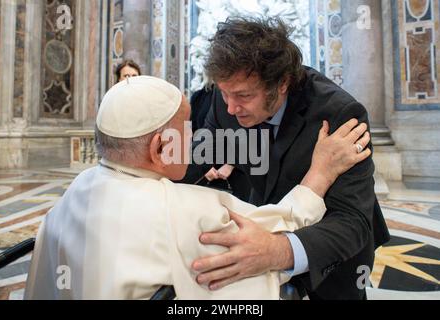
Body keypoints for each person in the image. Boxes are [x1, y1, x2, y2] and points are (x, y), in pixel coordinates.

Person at [24, 76, 370, 300]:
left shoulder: (77, 188)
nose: (197, 138)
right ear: (160, 148)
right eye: (187, 128)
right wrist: (321, 172)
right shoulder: (190, 211)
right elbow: (279, 230)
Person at [181, 17, 390, 300]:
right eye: (224, 93)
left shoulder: (338, 114)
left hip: (329, 258)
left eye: (243, 96)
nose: (230, 108)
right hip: (262, 239)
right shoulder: (227, 100)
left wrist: (277, 250)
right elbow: (196, 159)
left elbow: (352, 221)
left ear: (281, 84)